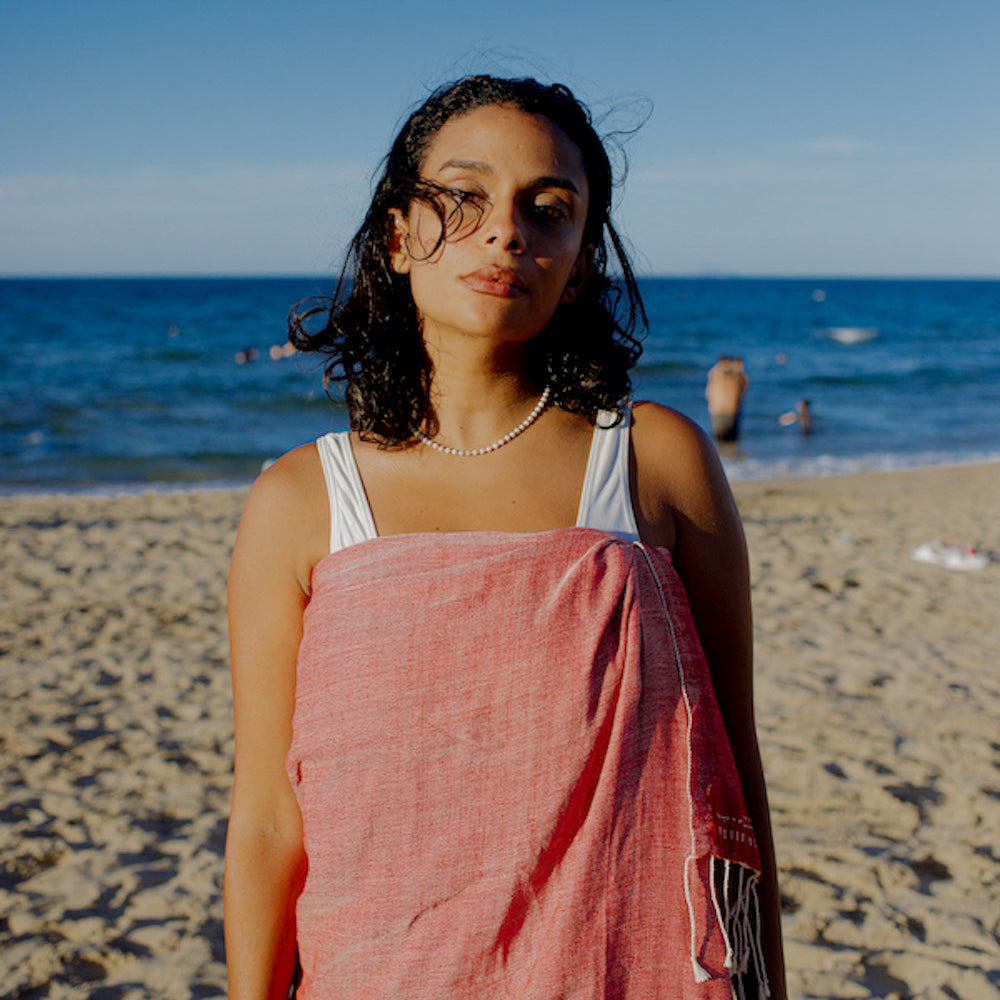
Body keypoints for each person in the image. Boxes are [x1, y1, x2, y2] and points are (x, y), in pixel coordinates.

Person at [225, 75, 786, 1000]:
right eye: (465, 196)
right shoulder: (302, 500)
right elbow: (268, 822)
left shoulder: (654, 460)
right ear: (397, 238)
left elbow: (733, 772)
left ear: (577, 261)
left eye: (550, 208)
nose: (506, 231)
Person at [706, 356, 749, 442]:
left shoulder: (732, 378)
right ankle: (724, 454)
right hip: (723, 411)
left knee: (726, 438)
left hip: (726, 411)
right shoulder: (722, 377)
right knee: (722, 437)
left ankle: (726, 454)